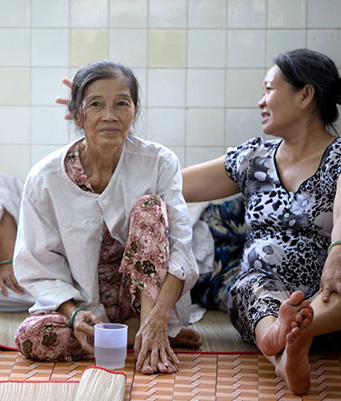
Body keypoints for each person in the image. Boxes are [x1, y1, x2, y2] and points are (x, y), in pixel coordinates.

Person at [182, 49, 341, 395]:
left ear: (305, 95)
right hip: (262, 299)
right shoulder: (253, 157)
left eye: (269, 90)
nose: (261, 101)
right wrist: (106, 138)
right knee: (246, 285)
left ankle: (293, 332)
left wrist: (337, 260)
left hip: (329, 305)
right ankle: (284, 345)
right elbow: (173, 183)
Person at [13, 61, 201, 376]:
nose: (110, 115)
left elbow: (181, 248)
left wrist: (157, 317)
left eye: (121, 103)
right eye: (96, 104)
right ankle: (137, 335)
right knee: (33, 338)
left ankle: (151, 329)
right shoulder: (45, 177)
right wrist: (74, 316)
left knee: (150, 208)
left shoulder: (159, 162)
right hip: (88, 307)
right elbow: (37, 265)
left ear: (136, 111)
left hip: (145, 305)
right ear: (77, 114)